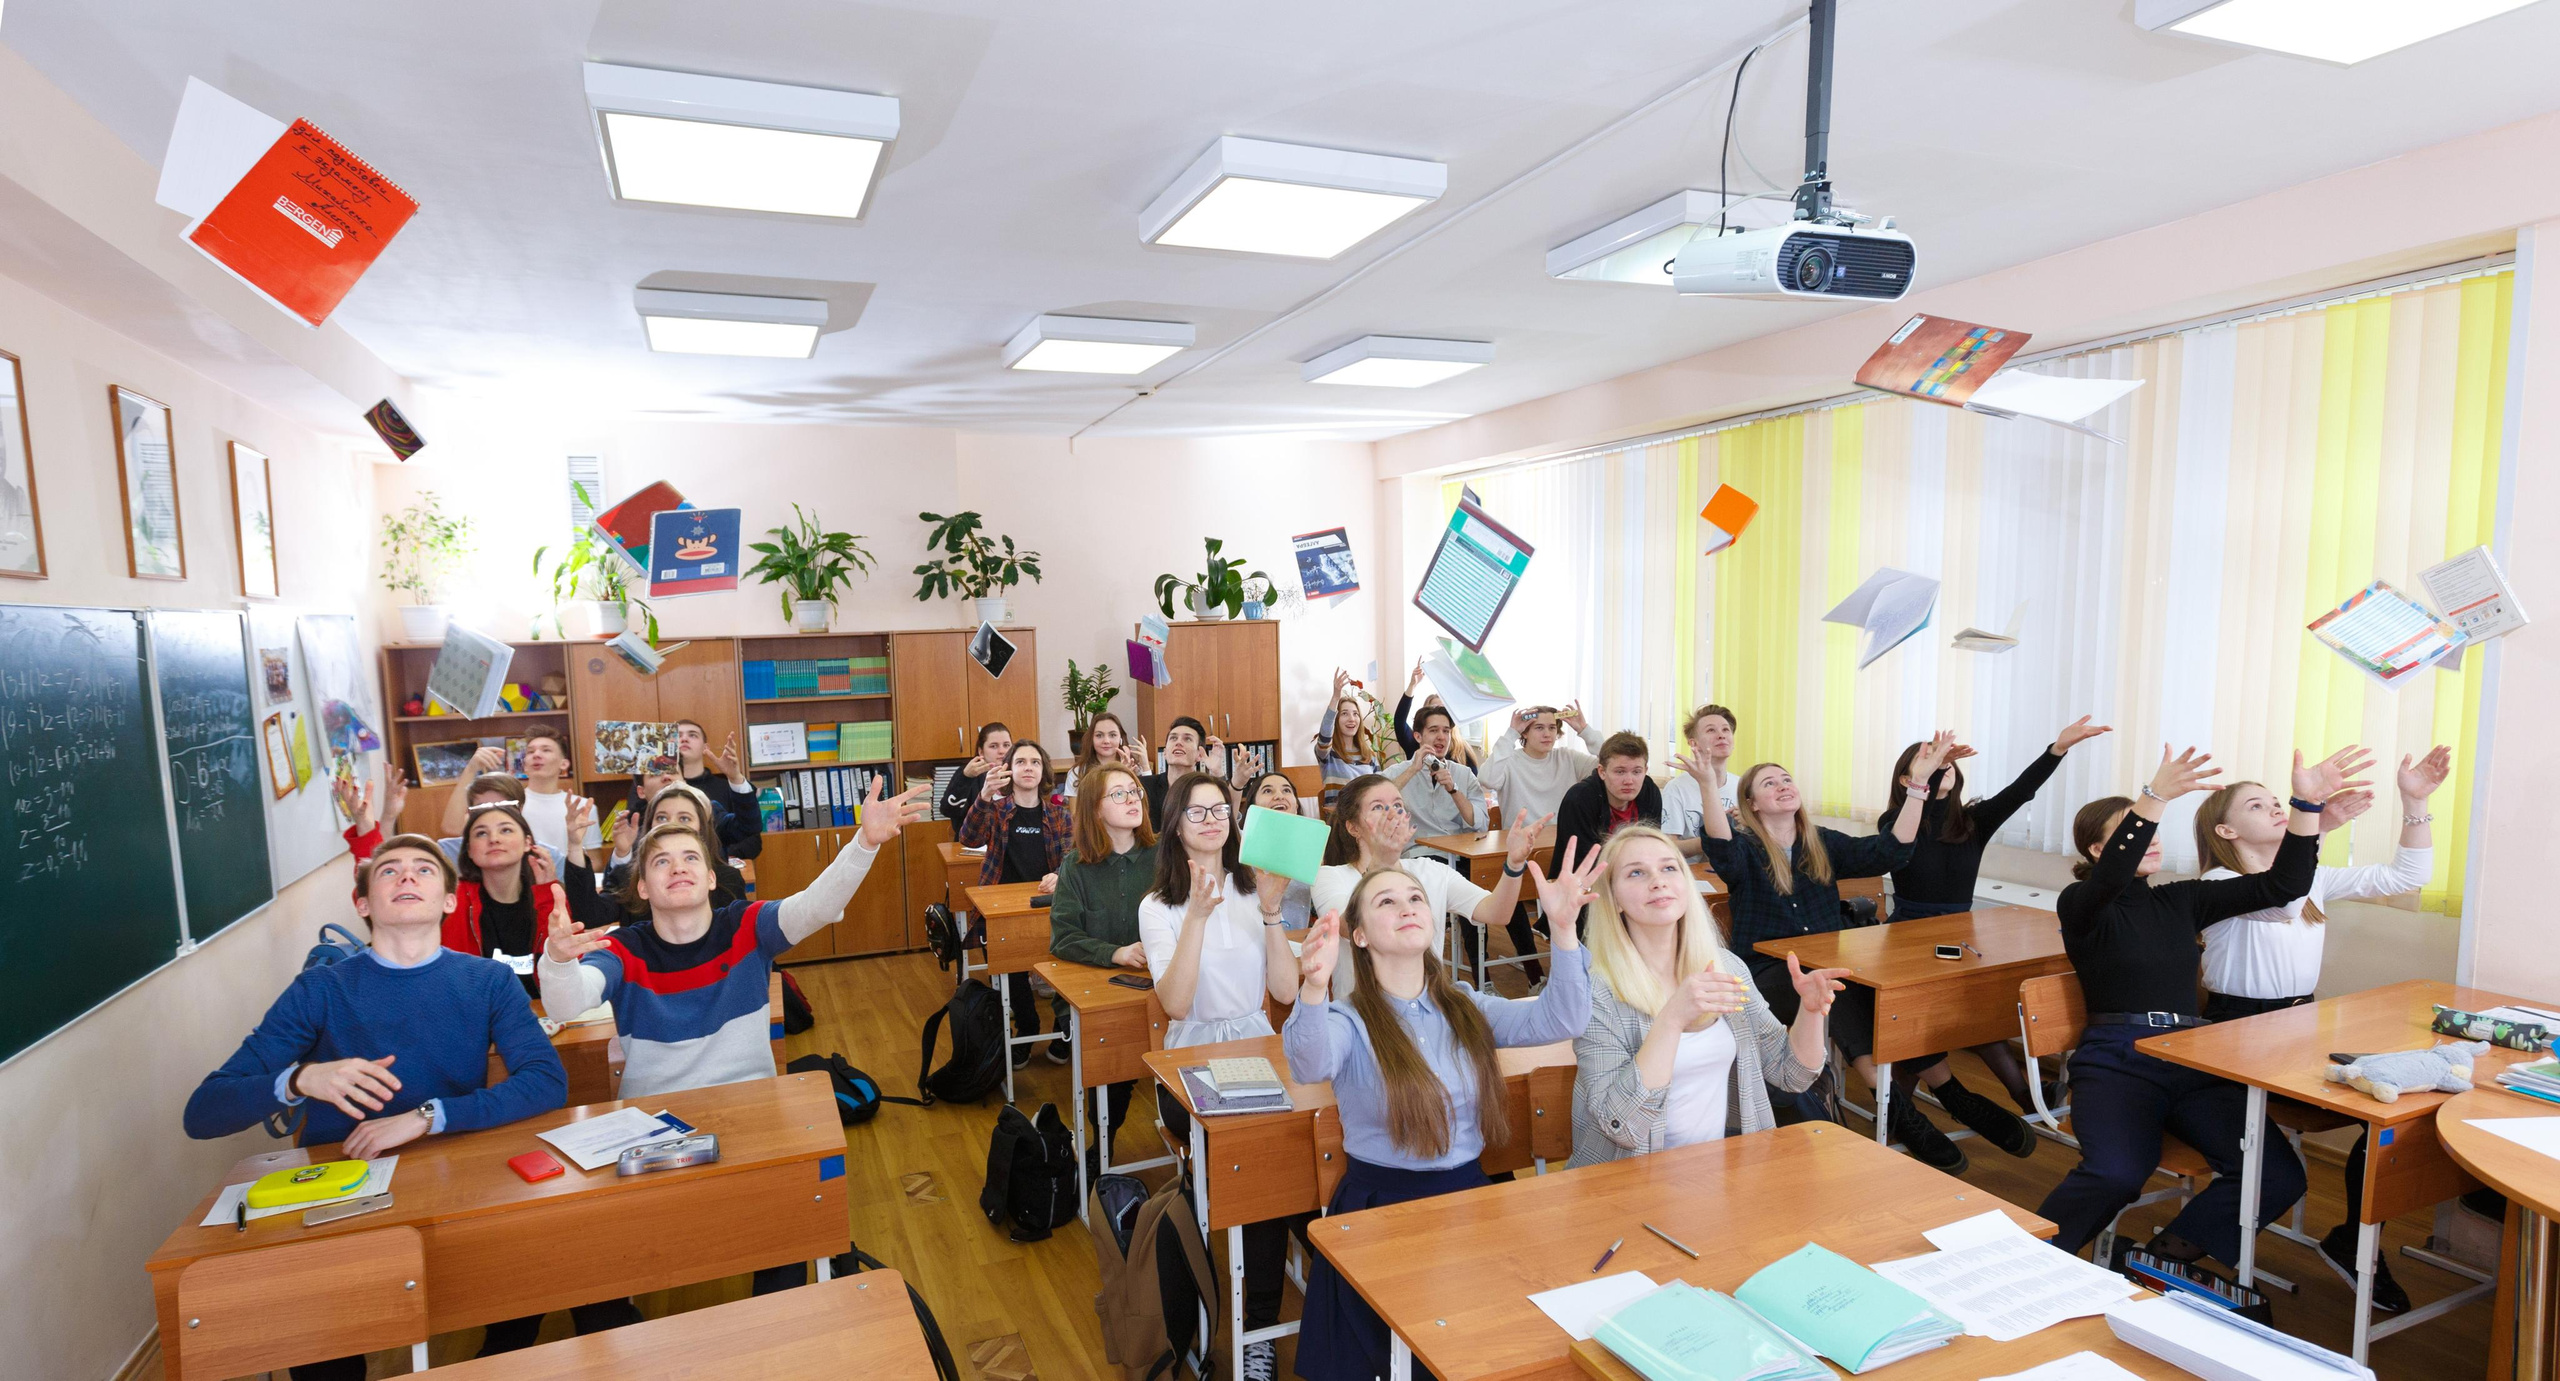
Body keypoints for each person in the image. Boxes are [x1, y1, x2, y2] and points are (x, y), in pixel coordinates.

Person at [186, 834, 573, 1378]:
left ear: (449, 900)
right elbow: (203, 1112)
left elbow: (547, 1081)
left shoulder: (489, 980)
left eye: (423, 869)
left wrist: (427, 1117)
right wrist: (300, 1078)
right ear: (363, 904)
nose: (407, 876)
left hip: (453, 1178)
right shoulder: (319, 990)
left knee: (523, 1282)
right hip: (344, 1190)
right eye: (389, 870)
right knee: (320, 1350)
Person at [539, 779, 928, 1295]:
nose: (677, 867)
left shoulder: (746, 926)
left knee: (789, 1236)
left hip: (751, 1117)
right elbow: (568, 1004)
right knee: (593, 1261)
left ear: (709, 877)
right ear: (643, 888)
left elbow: (815, 905)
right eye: (660, 862)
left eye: (689, 858)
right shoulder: (625, 948)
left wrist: (864, 843)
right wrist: (557, 960)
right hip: (654, 1130)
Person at [2034, 745, 2365, 1274]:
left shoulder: (2181, 899)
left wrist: (2306, 807)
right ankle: (2028, 1262)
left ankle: (2156, 1262)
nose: (2151, 838)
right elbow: (2112, 876)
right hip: (2118, 1058)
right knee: (2117, 1173)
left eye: (2153, 829)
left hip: (2192, 1056)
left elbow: (2285, 885)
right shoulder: (2080, 904)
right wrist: (2155, 796)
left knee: (2276, 1175)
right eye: (2134, 830)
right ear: (2097, 850)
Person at [1284, 853, 1595, 1381]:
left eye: (1415, 898)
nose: (1407, 908)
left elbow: (1564, 1018)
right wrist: (1314, 987)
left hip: (1468, 1202)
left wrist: (1563, 933)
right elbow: (1309, 1063)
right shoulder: (1348, 1019)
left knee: (1475, 1358)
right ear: (1359, 936)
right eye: (1386, 902)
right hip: (1381, 1211)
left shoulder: (1466, 1005)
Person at [2191, 745, 2447, 1310]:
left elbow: (2409, 876)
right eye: (2258, 805)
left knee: (2394, 1115)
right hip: (2232, 1035)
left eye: (2277, 801)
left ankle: (2352, 1240)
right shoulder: (2218, 882)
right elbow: (2281, 899)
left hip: (2299, 1027)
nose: (2275, 809)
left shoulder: (2311, 877)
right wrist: (2315, 820)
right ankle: (2190, 1256)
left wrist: (2414, 803)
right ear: (2227, 831)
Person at [1679, 737, 1950, 1164]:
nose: (1783, 785)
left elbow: (1890, 851)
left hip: (1827, 967)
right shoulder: (1746, 847)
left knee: (1875, 993)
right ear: (1752, 804)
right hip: (1768, 971)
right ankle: (1897, 1107)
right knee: (1830, 993)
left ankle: (1919, 1098)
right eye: (1769, 783)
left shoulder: (1822, 841)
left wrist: (1918, 786)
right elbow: (1721, 846)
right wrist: (1709, 787)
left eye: (1786, 779)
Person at [1879, 715, 2113, 1156]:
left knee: (1978, 1017)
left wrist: (2057, 749)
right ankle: (1904, 1116)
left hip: (1958, 936)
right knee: (1910, 1025)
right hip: (1907, 937)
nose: (1943, 766)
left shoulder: (1972, 822)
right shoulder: (1896, 820)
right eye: (1930, 762)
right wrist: (1931, 772)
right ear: (1909, 779)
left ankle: (2013, 1098)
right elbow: (1912, 822)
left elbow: (2022, 790)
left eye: (1948, 762)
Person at [1140, 772, 1304, 1381]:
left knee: (1307, 1155)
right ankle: (1258, 1328)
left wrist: (1271, 912)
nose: (1211, 820)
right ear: (1175, 826)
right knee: (1261, 1166)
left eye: (1220, 810)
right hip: (1191, 1061)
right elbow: (1177, 1004)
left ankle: (1328, 1288)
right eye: (1196, 811)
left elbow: (1285, 991)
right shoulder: (1157, 905)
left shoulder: (1254, 885)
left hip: (1259, 1046)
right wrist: (1198, 918)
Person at [1571, 826, 1848, 1165]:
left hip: (1724, 1171)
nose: (1658, 881)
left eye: (1669, 868)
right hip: (1627, 1181)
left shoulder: (1725, 967)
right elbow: (1622, 1126)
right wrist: (1672, 1019)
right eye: (1636, 873)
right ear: (1613, 899)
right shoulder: (1594, 991)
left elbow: (1791, 1074)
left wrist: (1810, 1011)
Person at [1310, 773, 1541, 993]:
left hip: (1429, 1007)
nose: (1392, 814)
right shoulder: (1329, 877)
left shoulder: (1431, 870)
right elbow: (1349, 929)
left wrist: (1513, 865)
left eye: (1398, 805)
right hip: (1363, 1012)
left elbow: (1497, 913)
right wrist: (1381, 862)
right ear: (1353, 828)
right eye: (1378, 807)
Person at [346, 797, 615, 983]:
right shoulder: (452, 898)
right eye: (481, 834)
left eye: (506, 830)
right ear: (469, 850)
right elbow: (378, 895)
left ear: (527, 843)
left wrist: (547, 892)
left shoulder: (548, 894)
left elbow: (568, 962)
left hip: (540, 1013)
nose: (494, 839)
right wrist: (367, 831)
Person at [1049, 762, 1158, 1150]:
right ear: (1095, 808)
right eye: (1119, 793)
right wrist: (1115, 953)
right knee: (1111, 1062)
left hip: (1161, 985)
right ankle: (1102, 1144)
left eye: (1135, 791)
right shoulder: (1076, 866)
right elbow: (1063, 938)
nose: (1132, 799)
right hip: (1103, 994)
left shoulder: (1164, 855)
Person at [958, 739, 1075, 1065]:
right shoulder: (996, 811)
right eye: (1021, 762)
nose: (1028, 768)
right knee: (1012, 971)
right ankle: (1027, 1026)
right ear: (1009, 770)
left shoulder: (1059, 814)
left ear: (1043, 771)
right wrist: (984, 795)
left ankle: (1063, 1029)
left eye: (1035, 762)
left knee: (1065, 964)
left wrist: (1059, 874)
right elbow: (968, 838)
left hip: (1047, 907)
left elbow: (1071, 857)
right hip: (1003, 912)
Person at [335, 763, 565, 875]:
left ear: (520, 810)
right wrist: (388, 817)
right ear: (469, 814)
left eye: (504, 808)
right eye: (482, 809)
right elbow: (383, 868)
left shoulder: (548, 858)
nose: (493, 818)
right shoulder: (445, 852)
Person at [441, 729, 602, 867]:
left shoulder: (581, 807)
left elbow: (595, 861)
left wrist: (559, 873)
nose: (536, 755)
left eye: (546, 750)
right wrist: (471, 769)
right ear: (524, 765)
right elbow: (452, 827)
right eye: (530, 752)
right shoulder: (508, 802)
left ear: (564, 764)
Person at [602, 781, 750, 907]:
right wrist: (621, 852)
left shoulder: (727, 879)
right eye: (662, 818)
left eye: (684, 819)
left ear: (701, 827)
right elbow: (596, 913)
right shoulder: (631, 877)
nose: (671, 825)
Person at [1553, 731, 1662, 885]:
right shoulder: (1579, 799)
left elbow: (1652, 847)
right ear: (1602, 772)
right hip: (1583, 885)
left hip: (1636, 881)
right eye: (1620, 772)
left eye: (1637, 772)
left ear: (1645, 770)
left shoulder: (1649, 791)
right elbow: (1583, 862)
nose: (1629, 780)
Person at [671, 719, 763, 860]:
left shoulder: (729, 788)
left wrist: (718, 854)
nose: (684, 739)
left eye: (692, 735)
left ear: (705, 747)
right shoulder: (655, 789)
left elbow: (752, 841)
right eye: (677, 735)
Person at [1657, 705, 1740, 856]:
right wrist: (1714, 840)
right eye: (1711, 730)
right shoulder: (1676, 788)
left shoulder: (1742, 786)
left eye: (1725, 729)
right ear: (1693, 743)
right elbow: (1669, 847)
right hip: (1694, 870)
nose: (1721, 735)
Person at [1393, 704, 1481, 848]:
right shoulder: (1400, 771)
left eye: (1446, 731)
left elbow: (1480, 825)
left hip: (1457, 853)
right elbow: (1369, 797)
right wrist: (1412, 770)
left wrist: (1453, 790)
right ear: (1418, 736)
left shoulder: (1464, 774)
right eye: (1433, 730)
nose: (1441, 737)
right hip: (1416, 853)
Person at [1239, 770, 1315, 928]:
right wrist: (1235, 784)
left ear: (1296, 806)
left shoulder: (1311, 845)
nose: (1279, 796)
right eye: (1268, 791)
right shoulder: (1242, 841)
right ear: (1253, 806)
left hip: (1296, 938)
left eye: (1286, 790)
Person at [1142, 716, 1224, 820]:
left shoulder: (1207, 789)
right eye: (1173, 738)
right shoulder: (1144, 786)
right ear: (1165, 752)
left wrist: (1217, 772)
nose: (1178, 742)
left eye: (1187, 739)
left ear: (1199, 754)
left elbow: (1224, 816)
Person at [1314, 668, 1387, 785]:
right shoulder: (1328, 753)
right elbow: (1325, 732)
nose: (1352, 719)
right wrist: (1335, 697)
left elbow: (1379, 788)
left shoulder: (1370, 755)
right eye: (1344, 714)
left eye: (1355, 714)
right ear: (1336, 720)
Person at [1064, 710, 1144, 797]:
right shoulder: (1078, 772)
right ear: (1091, 739)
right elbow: (1076, 807)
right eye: (1099, 735)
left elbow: (1145, 803)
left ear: (1120, 738)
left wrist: (1146, 767)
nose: (1106, 741)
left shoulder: (1133, 768)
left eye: (1112, 735)